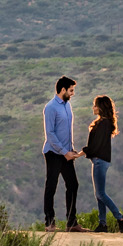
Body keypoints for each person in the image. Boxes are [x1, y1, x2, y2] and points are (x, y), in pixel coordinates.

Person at [41, 76, 84, 231]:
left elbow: (67, 130)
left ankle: (71, 223)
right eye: (71, 90)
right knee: (51, 186)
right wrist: (63, 152)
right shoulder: (51, 107)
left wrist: (70, 150)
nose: (73, 93)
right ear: (63, 89)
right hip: (53, 153)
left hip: (66, 152)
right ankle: (49, 223)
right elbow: (50, 134)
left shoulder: (67, 106)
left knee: (73, 184)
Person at [86, 94, 123, 233]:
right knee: (98, 194)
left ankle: (121, 218)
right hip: (98, 160)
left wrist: (80, 153)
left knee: (101, 194)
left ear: (100, 107)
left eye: (95, 105)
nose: (93, 108)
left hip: (100, 160)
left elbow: (96, 146)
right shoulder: (102, 123)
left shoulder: (103, 124)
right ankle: (102, 224)